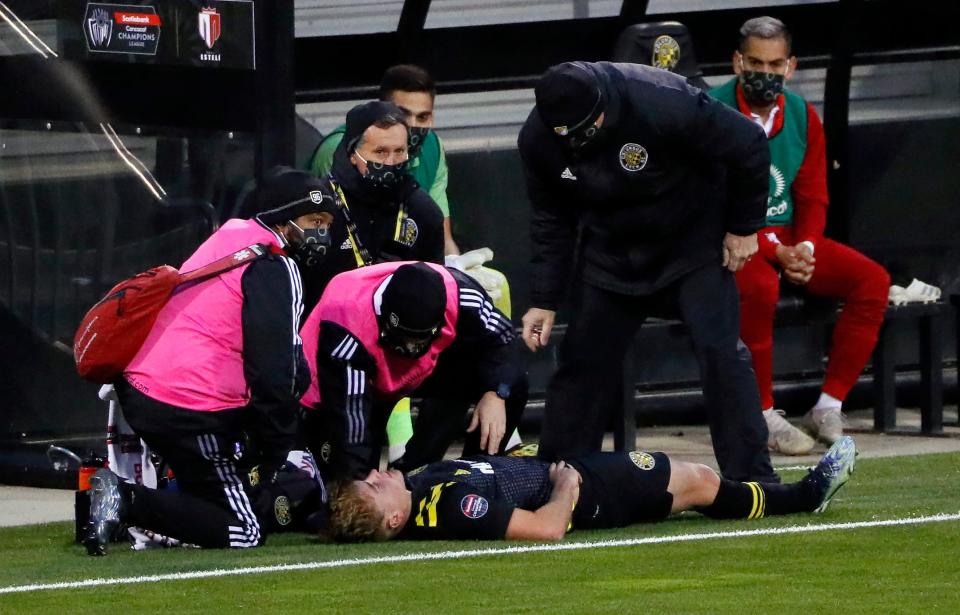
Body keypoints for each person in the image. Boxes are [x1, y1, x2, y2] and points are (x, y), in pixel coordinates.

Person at [517, 60, 776, 482]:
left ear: (602, 107)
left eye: (587, 130)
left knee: (720, 354)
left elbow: (748, 143)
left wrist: (744, 226)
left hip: (690, 246)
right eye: (569, 137)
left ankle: (754, 483)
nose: (580, 142)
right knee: (581, 365)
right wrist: (544, 298)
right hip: (610, 255)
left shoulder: (662, 101)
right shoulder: (538, 139)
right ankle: (558, 482)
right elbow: (551, 220)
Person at [84, 169, 337, 554]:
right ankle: (125, 500)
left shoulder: (233, 235)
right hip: (187, 403)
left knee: (223, 489)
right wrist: (276, 448)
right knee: (244, 528)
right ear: (284, 221)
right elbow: (273, 371)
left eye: (326, 224)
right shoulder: (274, 266)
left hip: (140, 386)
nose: (321, 234)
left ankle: (130, 504)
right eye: (313, 222)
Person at [709, 17, 890, 455]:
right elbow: (713, 203)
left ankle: (828, 406)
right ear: (737, 61)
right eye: (754, 62)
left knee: (873, 281)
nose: (765, 74)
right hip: (730, 240)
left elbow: (812, 197)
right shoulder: (710, 110)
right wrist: (776, 249)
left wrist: (805, 248)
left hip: (788, 238)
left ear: (791, 67)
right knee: (760, 286)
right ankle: (763, 412)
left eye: (775, 64)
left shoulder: (802, 114)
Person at [327, 435, 857, 542]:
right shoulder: (453, 513)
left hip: (559, 463)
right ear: (393, 520)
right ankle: (803, 498)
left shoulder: (420, 489)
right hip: (586, 491)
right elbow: (547, 529)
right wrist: (565, 486)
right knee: (697, 481)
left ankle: (792, 496)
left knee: (695, 484)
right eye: (374, 488)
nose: (377, 474)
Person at [299, 261, 528, 482]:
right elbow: (351, 419)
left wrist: (496, 393)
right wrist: (362, 482)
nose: (411, 348)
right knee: (353, 470)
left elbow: (505, 340)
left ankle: (470, 476)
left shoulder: (461, 295)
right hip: (346, 380)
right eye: (406, 338)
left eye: (419, 338)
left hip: (429, 368)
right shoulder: (346, 318)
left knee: (510, 383)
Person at [300, 99, 444, 312]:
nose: (391, 162)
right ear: (352, 155)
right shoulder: (316, 210)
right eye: (380, 152)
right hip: (328, 330)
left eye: (399, 151)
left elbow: (435, 290)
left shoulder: (423, 211)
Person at [309, 64, 459, 256]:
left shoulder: (433, 148)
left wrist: (458, 271)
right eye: (403, 114)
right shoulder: (336, 148)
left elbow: (443, 238)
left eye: (422, 117)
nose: (411, 125)